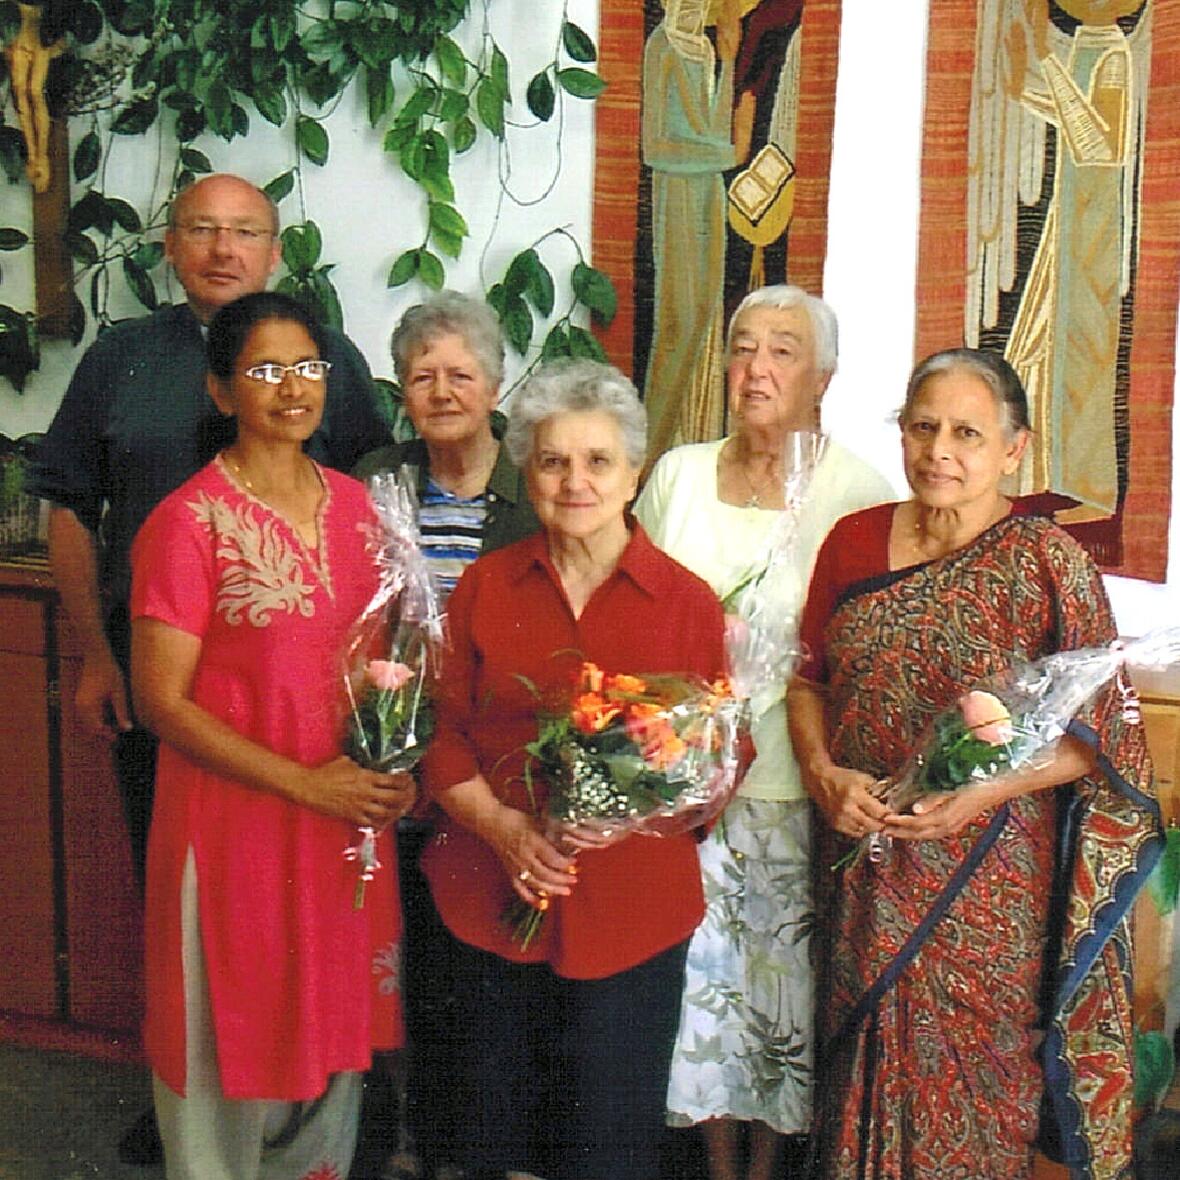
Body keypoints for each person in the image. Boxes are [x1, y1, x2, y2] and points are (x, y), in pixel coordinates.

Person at [27, 172, 388, 1166]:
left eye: (246, 231)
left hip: (323, 758)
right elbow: (66, 507)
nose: (291, 388)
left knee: (315, 966)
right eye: (202, 229)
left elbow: (375, 546)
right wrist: (99, 659)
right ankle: (205, 1132)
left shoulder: (347, 471)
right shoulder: (147, 418)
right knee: (209, 952)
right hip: (196, 728)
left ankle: (308, 1142)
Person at [787, 348, 1161, 1179]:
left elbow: (1099, 739)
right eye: (922, 428)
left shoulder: (1044, 561)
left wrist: (983, 792)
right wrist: (822, 774)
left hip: (987, 878)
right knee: (859, 1058)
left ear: (1013, 450)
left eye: (966, 433)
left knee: (977, 1070)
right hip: (865, 857)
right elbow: (807, 682)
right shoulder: (853, 542)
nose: (939, 452)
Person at [418, 358, 727, 1180]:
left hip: (631, 914)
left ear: (633, 473)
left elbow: (717, 766)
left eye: (598, 462)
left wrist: (634, 809)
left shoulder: (688, 604)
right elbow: (441, 732)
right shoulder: (486, 586)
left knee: (606, 1150)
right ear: (528, 470)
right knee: (487, 1140)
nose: (575, 482)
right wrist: (506, 829)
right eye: (553, 461)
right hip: (487, 896)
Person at [129, 292, 412, 1179]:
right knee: (227, 1032)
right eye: (264, 369)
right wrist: (306, 785)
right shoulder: (187, 523)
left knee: (326, 1033)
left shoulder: (360, 509)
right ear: (221, 391)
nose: (293, 388)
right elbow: (161, 704)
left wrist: (389, 763)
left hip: (339, 823)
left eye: (307, 366)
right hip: (232, 826)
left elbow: (384, 663)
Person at [634, 285, 891, 1180]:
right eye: (744, 347)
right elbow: (637, 616)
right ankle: (712, 1164)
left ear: (821, 378)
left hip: (795, 780)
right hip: (682, 784)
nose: (757, 368)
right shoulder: (676, 474)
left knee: (784, 989)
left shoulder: (856, 491)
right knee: (702, 986)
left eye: (783, 351)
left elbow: (864, 647)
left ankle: (771, 1166)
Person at [350, 292, 538, 1179]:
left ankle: (476, 1150)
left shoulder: (536, 488)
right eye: (423, 375)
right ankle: (407, 1143)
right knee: (404, 963)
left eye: (461, 373)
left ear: (497, 385)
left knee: (486, 975)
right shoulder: (373, 478)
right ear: (400, 388)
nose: (443, 389)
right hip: (390, 766)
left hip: (493, 773)